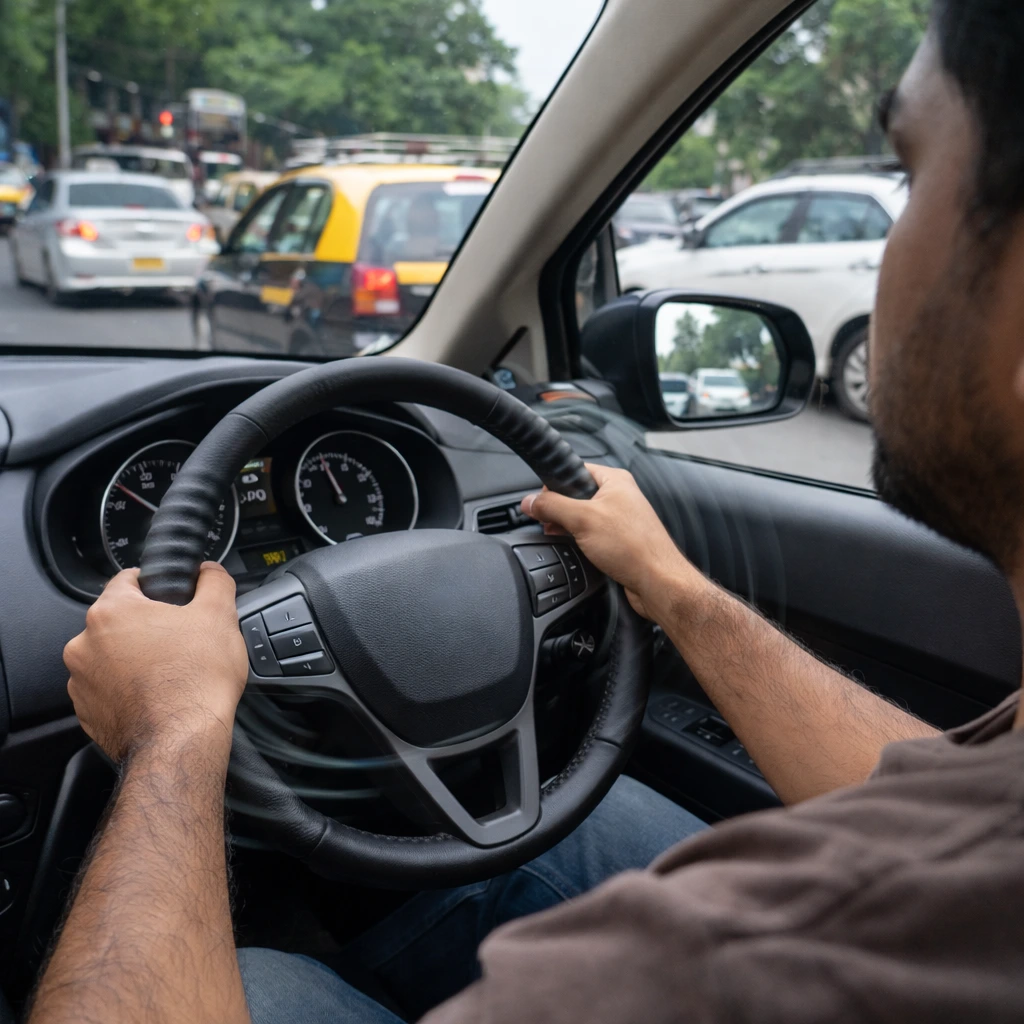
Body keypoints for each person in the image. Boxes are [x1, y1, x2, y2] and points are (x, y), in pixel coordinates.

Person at [26, 1, 1024, 1020]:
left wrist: (177, 727)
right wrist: (674, 589)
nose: (883, 250)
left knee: (272, 984)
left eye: (904, 178)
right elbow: (916, 787)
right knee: (506, 845)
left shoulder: (701, 967)